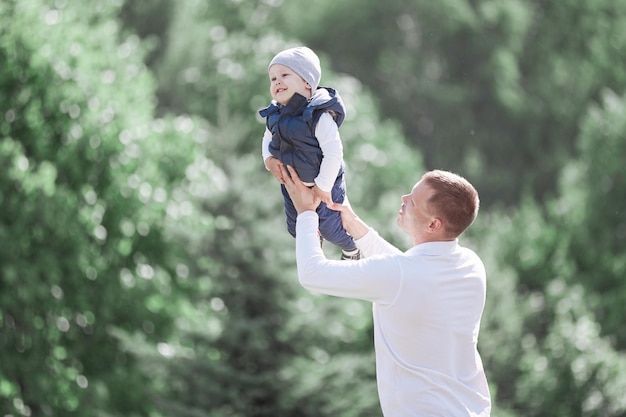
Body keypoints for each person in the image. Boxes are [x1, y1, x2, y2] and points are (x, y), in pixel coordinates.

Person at [280, 164, 492, 417]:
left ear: (433, 224)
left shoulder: (401, 274)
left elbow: (312, 274)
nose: (404, 200)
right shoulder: (471, 265)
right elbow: (411, 275)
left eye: (412, 201)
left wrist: (305, 213)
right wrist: (359, 230)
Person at [258, 46, 360, 260]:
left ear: (307, 82)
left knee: (333, 227)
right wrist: (268, 160)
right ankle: (314, 248)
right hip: (292, 183)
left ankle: (352, 249)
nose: (277, 82)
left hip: (324, 184)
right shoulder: (275, 114)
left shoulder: (318, 116)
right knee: (296, 225)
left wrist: (323, 186)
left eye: (284, 75)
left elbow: (334, 153)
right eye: (273, 78)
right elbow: (267, 137)